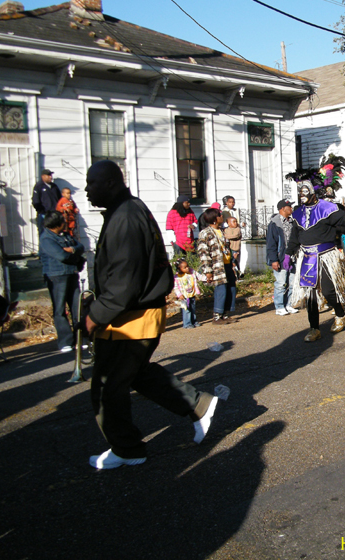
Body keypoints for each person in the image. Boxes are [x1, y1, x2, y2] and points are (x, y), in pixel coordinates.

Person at [83, 160, 218, 470]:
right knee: (136, 374)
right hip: (129, 316)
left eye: (93, 183)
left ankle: (127, 449)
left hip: (130, 319)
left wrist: (95, 315)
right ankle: (198, 404)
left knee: (107, 385)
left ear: (113, 184)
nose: (87, 190)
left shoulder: (126, 216)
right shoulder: (124, 211)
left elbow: (125, 280)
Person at [285, 164, 345, 341]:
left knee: (329, 291)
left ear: (313, 192)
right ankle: (314, 328)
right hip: (306, 258)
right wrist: (287, 253)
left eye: (305, 192)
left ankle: (340, 313)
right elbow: (294, 236)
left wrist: (340, 228)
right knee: (311, 295)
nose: (302, 195)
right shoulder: (298, 213)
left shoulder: (328, 209)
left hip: (326, 256)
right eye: (300, 193)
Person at [39, 210, 84, 353]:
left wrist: (71, 249)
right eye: (62, 222)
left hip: (71, 273)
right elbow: (61, 255)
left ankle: (81, 338)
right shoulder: (46, 238)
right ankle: (66, 341)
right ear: (56, 224)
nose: (65, 224)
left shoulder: (65, 235)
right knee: (60, 309)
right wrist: (75, 257)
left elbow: (80, 247)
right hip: (56, 276)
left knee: (77, 307)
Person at [196, 208, 237, 324]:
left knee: (231, 288)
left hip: (227, 264)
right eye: (219, 215)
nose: (221, 217)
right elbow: (203, 253)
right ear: (214, 219)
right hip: (217, 266)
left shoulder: (221, 231)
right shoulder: (205, 233)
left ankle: (225, 314)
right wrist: (207, 270)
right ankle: (217, 316)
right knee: (221, 289)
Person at [266, 200, 298, 316]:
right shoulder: (274, 223)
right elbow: (271, 243)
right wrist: (274, 260)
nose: (291, 208)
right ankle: (279, 306)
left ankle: (289, 304)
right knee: (280, 283)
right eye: (289, 206)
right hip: (280, 258)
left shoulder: (292, 222)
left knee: (292, 282)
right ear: (283, 208)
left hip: (293, 257)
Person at [32, 169, 61, 233]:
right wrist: (41, 211)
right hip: (44, 214)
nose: (50, 177)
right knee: (43, 232)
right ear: (43, 176)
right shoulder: (38, 186)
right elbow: (35, 201)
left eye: (50, 175)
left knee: (54, 231)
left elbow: (59, 198)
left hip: (55, 214)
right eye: (48, 175)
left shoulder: (54, 186)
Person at [173, 258, 199, 329]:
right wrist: (179, 294)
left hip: (191, 294)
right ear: (179, 268)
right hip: (184, 296)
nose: (187, 268)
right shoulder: (177, 277)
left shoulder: (191, 273)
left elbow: (198, 276)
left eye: (187, 266)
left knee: (193, 308)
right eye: (185, 267)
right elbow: (175, 287)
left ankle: (193, 321)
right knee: (186, 310)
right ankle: (187, 323)